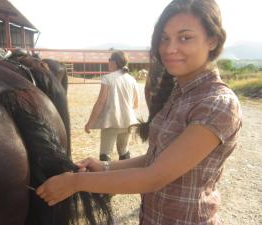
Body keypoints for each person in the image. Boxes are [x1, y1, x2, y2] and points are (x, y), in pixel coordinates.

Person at [36, 0, 242, 224]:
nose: (169, 48)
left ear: (213, 40)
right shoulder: (180, 94)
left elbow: (154, 177)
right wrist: (104, 166)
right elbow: (154, 159)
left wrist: (74, 183)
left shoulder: (217, 103)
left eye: (185, 37)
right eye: (165, 38)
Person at [84, 50, 139, 161]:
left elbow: (100, 102)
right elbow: (136, 104)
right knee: (124, 151)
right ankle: (125, 176)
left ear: (114, 62)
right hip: (128, 121)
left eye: (109, 60)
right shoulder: (132, 79)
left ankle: (106, 177)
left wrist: (90, 122)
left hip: (111, 121)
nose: (108, 62)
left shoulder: (107, 78)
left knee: (105, 154)